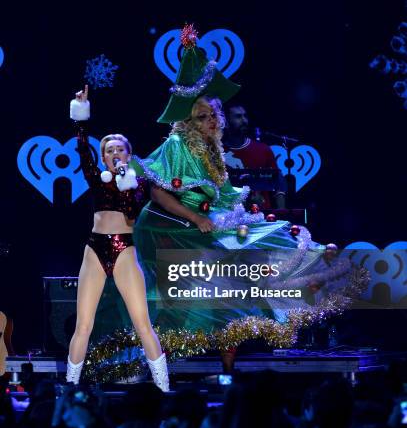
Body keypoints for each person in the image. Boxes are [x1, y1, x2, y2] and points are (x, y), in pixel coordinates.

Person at [131, 25, 365, 337]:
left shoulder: (213, 148)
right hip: (168, 226)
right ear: (187, 121)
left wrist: (239, 211)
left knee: (262, 237)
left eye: (214, 115)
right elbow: (158, 195)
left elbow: (220, 195)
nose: (211, 121)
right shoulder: (177, 145)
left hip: (199, 221)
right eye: (202, 117)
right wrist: (197, 217)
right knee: (215, 278)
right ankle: (199, 337)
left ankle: (288, 300)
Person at [66, 85, 169, 391]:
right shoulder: (97, 178)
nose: (113, 153)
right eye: (109, 150)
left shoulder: (134, 185)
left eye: (119, 149)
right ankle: (70, 389)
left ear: (129, 153)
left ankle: (164, 388)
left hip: (123, 249)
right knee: (83, 324)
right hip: (95, 248)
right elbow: (83, 149)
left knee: (142, 324)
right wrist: (81, 117)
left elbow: (131, 214)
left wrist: (126, 178)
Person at [223, 103, 287, 210]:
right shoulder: (217, 152)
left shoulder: (263, 149)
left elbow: (279, 185)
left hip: (263, 218)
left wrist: (282, 214)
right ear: (226, 122)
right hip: (230, 218)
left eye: (245, 116)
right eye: (238, 117)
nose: (244, 121)